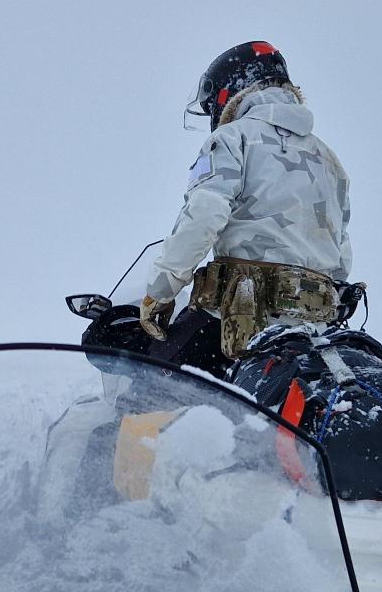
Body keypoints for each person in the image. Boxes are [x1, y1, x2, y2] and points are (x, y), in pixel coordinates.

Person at [140, 42, 353, 359]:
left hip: (240, 318)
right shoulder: (329, 159)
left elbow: (203, 215)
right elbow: (341, 255)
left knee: (153, 381)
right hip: (312, 331)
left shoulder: (231, 138)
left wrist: (160, 291)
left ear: (229, 90)